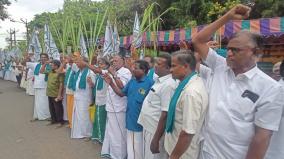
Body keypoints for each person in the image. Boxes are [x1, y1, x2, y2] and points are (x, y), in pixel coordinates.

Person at [192, 4, 284, 159]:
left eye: (236, 50)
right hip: (205, 152)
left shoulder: (270, 88)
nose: (229, 53)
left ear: (256, 53)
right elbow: (198, 40)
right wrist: (227, 17)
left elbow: (262, 138)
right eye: (228, 48)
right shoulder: (220, 66)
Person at [104, 59, 154, 159]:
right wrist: (111, 83)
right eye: (133, 67)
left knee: (139, 148)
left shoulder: (150, 83)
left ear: (143, 70)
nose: (132, 70)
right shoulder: (132, 81)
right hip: (131, 120)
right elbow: (121, 93)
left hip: (143, 122)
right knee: (133, 147)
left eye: (135, 68)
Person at [163, 51, 208, 159]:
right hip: (176, 148)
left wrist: (173, 156)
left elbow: (188, 133)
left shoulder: (191, 93)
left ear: (185, 66)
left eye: (173, 66)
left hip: (182, 154)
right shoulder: (188, 83)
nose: (170, 70)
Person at [138, 52, 177, 159]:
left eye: (159, 64)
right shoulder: (159, 80)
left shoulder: (169, 85)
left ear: (168, 68)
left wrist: (156, 139)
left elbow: (165, 114)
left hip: (155, 131)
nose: (155, 65)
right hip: (148, 127)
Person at [101, 55, 132, 159]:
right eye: (112, 61)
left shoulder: (125, 72)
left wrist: (113, 74)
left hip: (119, 108)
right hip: (111, 106)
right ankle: (110, 153)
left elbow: (122, 87)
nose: (114, 62)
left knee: (118, 134)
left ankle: (119, 156)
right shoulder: (111, 71)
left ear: (123, 61)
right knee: (111, 133)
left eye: (116, 60)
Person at [87, 57, 110, 143]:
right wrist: (91, 83)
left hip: (104, 101)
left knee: (102, 120)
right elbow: (96, 88)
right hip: (98, 100)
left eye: (102, 64)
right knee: (98, 119)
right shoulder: (99, 75)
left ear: (107, 65)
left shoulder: (107, 73)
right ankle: (98, 137)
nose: (99, 65)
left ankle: (103, 139)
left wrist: (86, 64)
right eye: (99, 64)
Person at [70, 57, 94, 139]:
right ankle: (79, 132)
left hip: (85, 98)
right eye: (76, 62)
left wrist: (91, 83)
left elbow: (93, 85)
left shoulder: (90, 72)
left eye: (78, 61)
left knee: (85, 116)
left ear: (85, 62)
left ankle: (88, 133)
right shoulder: (78, 72)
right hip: (77, 96)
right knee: (78, 115)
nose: (76, 63)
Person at [265, 60, 284, 159]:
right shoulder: (275, 91)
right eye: (275, 70)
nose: (276, 72)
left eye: (278, 70)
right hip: (274, 149)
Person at [27, 53, 51, 121]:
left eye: (44, 57)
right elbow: (24, 63)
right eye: (42, 57)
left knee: (44, 102)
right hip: (37, 86)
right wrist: (27, 56)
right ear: (40, 58)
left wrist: (46, 64)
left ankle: (46, 116)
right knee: (37, 102)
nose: (43, 58)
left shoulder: (50, 66)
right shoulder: (35, 65)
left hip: (45, 86)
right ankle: (37, 116)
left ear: (47, 58)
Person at [44, 60, 65, 127]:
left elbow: (61, 84)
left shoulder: (60, 73)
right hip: (49, 92)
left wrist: (59, 94)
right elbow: (41, 71)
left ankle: (60, 121)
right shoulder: (50, 71)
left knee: (58, 108)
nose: (51, 66)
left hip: (56, 93)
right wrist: (45, 63)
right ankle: (53, 120)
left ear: (56, 66)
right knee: (51, 108)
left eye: (52, 65)